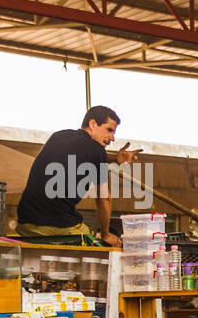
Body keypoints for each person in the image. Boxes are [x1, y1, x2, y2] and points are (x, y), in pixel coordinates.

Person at [16, 105, 139, 246]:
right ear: (93, 124)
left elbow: (88, 153)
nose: (112, 138)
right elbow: (104, 198)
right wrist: (106, 234)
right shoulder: (96, 150)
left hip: (25, 223)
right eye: (109, 130)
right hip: (57, 226)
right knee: (101, 241)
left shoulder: (59, 136)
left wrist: (116, 159)